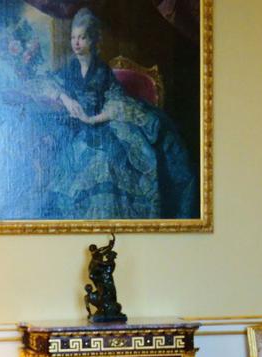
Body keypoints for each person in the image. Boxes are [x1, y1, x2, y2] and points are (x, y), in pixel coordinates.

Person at [42, 8, 196, 219]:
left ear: (93, 40)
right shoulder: (69, 68)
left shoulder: (102, 70)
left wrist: (92, 118)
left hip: (102, 123)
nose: (77, 43)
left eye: (82, 37)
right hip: (74, 127)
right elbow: (48, 83)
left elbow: (116, 102)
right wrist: (65, 99)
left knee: (109, 159)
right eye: (73, 37)